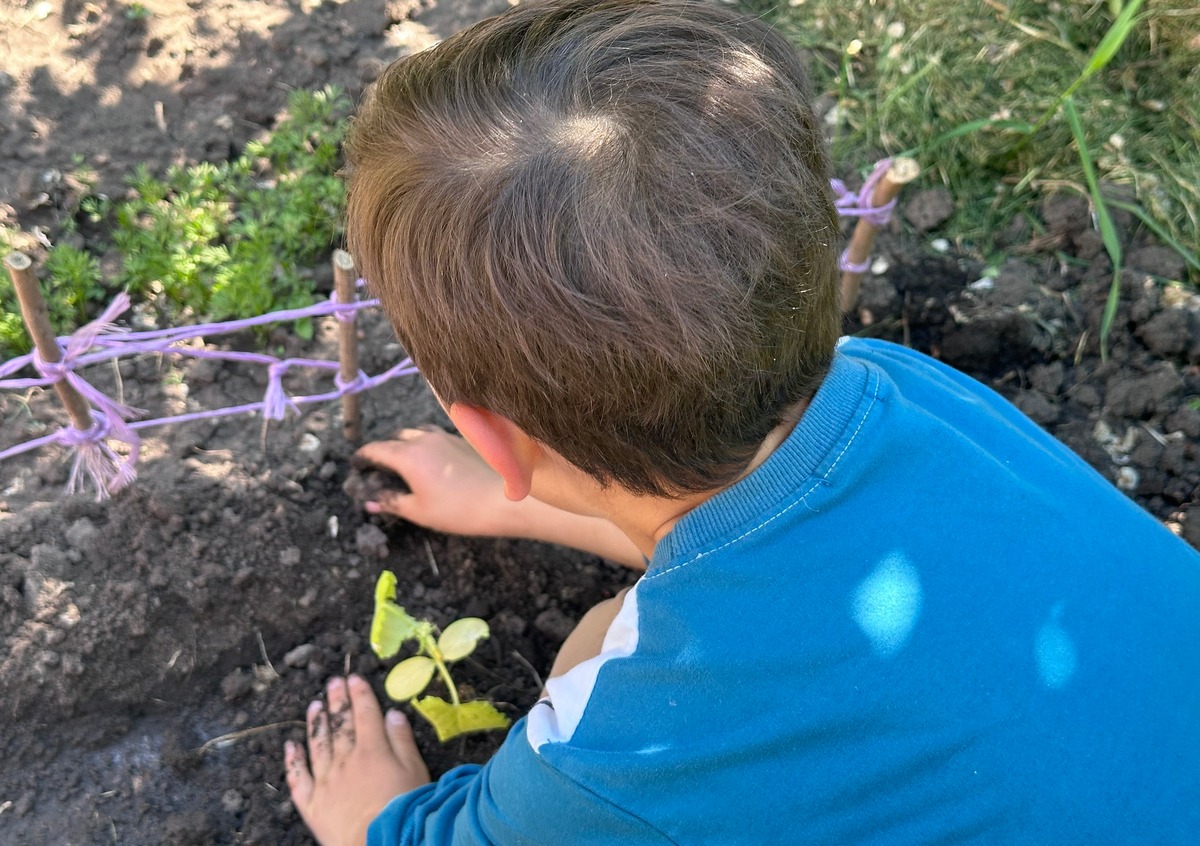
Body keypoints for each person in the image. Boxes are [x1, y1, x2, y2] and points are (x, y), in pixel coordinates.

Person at [282, 1, 1200, 844]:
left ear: (494, 436)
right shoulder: (902, 386)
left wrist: (380, 818)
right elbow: (768, 529)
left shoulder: (635, 749)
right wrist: (513, 501)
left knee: (598, 642)